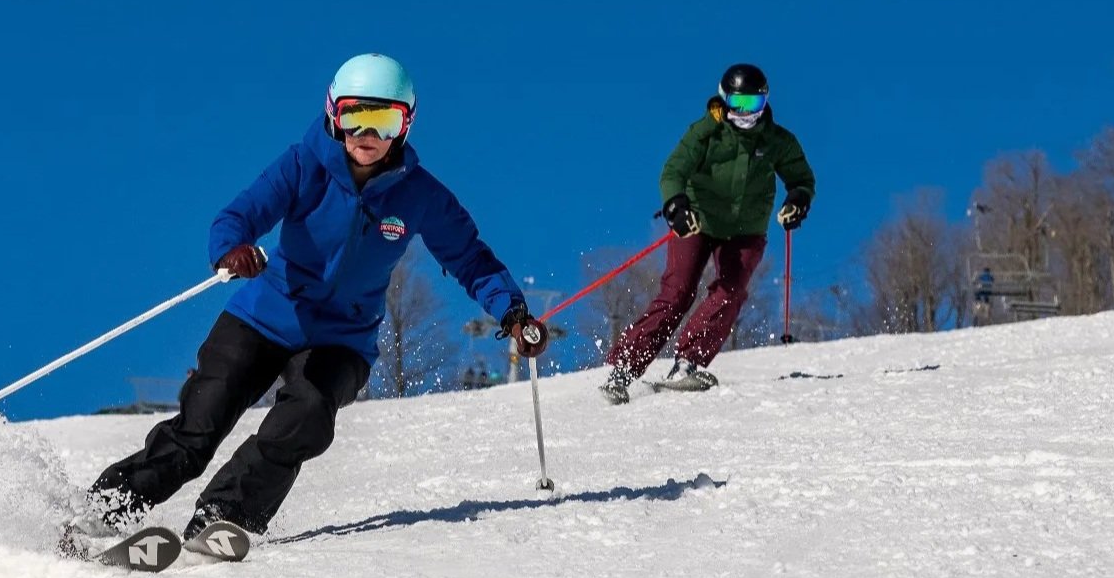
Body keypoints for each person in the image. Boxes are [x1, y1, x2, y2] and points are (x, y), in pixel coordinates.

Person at [67, 54, 548, 549]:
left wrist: (513, 312)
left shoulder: (420, 195)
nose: (367, 133)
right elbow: (240, 214)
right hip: (263, 317)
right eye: (354, 116)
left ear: (405, 126)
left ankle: (224, 515)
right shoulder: (303, 164)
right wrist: (233, 250)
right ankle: (103, 512)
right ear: (333, 115)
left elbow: (472, 258)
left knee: (306, 416)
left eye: (384, 120)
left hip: (342, 339)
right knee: (199, 427)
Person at [601, 63, 814, 404]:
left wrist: (798, 201)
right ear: (723, 99)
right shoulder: (705, 132)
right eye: (738, 104)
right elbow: (673, 170)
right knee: (677, 293)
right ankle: (624, 369)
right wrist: (676, 206)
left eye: (754, 105)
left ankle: (687, 363)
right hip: (697, 222)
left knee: (731, 290)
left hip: (746, 229)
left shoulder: (777, 141)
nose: (745, 114)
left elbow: (801, 179)